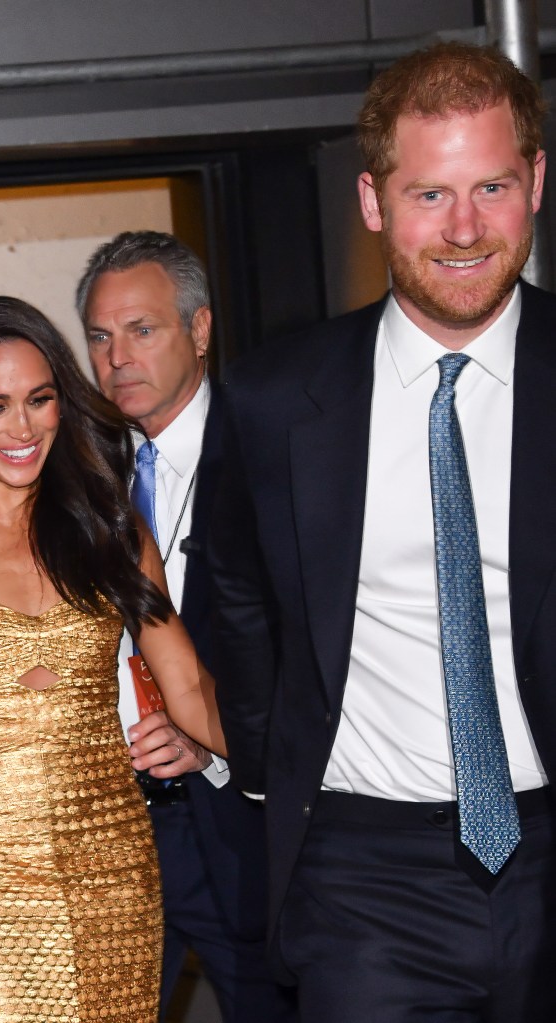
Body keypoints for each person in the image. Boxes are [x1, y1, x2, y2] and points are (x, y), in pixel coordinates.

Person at [210, 41, 556, 1023]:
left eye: (490, 186)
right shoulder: (274, 400)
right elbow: (233, 593)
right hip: (363, 880)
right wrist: (277, 759)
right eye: (427, 194)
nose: (462, 228)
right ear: (371, 201)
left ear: (535, 181)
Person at [0, 295, 225, 1023]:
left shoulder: (108, 526)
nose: (23, 427)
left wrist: (311, 756)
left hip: (112, 868)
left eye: (40, 399)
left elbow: (189, 686)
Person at [76, 231, 297, 1023]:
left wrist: (210, 741)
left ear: (199, 330)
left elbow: (302, 650)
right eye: (100, 337)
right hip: (111, 834)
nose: (117, 357)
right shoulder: (78, 470)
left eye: (142, 329)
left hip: (244, 826)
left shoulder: (273, 451)